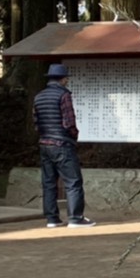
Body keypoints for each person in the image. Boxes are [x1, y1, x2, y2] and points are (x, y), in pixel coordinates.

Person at [34, 63, 94, 229]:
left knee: (49, 182)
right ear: (62, 79)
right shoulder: (63, 95)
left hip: (44, 144)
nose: (67, 80)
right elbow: (69, 121)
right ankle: (75, 218)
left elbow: (36, 123)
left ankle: (52, 219)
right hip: (62, 143)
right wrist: (74, 136)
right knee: (73, 181)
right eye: (66, 77)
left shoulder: (39, 97)